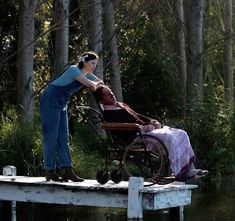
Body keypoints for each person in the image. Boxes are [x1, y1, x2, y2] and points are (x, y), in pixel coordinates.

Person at [93, 85, 208, 181]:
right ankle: (180, 171)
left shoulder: (121, 105)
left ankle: (190, 169)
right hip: (136, 136)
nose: (111, 94)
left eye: (111, 91)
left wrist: (151, 121)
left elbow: (138, 116)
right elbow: (120, 131)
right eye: (107, 94)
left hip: (146, 132)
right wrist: (141, 128)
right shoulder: (109, 113)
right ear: (101, 100)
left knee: (182, 133)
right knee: (171, 138)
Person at [40, 51, 103, 182]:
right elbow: (91, 84)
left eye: (95, 64)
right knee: (52, 135)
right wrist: (96, 84)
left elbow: (99, 82)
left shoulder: (86, 73)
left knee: (64, 135)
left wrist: (99, 84)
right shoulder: (74, 70)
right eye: (92, 63)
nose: (94, 67)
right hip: (51, 99)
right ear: (85, 62)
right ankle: (49, 170)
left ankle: (67, 169)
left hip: (62, 102)